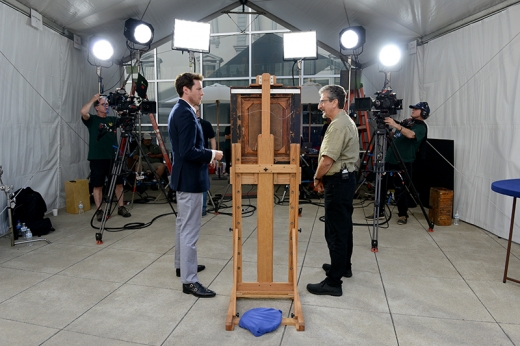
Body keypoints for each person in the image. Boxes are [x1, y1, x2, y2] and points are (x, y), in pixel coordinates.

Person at [168, 72, 223, 298]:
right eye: (199, 88)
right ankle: (189, 281)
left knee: (183, 226)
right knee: (190, 231)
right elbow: (188, 151)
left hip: (186, 178)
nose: (202, 92)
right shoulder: (185, 114)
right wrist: (213, 153)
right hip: (190, 180)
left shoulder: (182, 111)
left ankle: (183, 266)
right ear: (186, 90)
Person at [307, 85, 359, 297]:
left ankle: (333, 282)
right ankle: (343, 266)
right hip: (345, 180)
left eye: (323, 101)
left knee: (335, 231)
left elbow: (328, 160)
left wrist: (317, 177)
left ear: (334, 102)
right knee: (344, 225)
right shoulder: (345, 121)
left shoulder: (338, 126)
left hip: (337, 181)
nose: (320, 105)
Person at [366, 102, 429, 225]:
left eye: (416, 109)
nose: (413, 110)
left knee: (401, 188)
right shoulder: (408, 122)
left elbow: (411, 135)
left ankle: (403, 214)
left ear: (423, 112)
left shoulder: (421, 127)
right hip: (390, 159)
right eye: (413, 108)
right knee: (381, 186)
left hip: (404, 161)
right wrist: (391, 129)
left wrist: (396, 125)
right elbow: (398, 134)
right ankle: (379, 211)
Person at [80, 94, 131, 222]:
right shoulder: (92, 119)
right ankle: (99, 210)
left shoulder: (112, 119)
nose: (106, 106)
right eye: (103, 104)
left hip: (113, 157)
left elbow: (126, 120)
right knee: (98, 185)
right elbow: (83, 112)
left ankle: (121, 207)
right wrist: (92, 100)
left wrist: (120, 110)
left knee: (118, 183)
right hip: (97, 158)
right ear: (97, 107)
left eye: (107, 104)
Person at [195, 105, 216, 216]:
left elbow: (212, 139)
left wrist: (213, 155)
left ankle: (202, 208)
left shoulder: (205, 124)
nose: (197, 113)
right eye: (195, 111)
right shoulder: (187, 123)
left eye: (198, 111)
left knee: (203, 182)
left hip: (202, 156)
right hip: (190, 156)